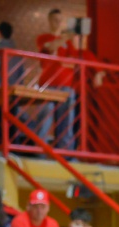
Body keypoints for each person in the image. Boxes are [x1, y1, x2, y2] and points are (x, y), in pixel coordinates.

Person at [36, 9, 77, 151]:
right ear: (49, 21)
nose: (58, 23)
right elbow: (50, 47)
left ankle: (65, 151)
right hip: (47, 85)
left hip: (66, 85)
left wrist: (60, 51)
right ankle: (39, 149)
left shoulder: (69, 44)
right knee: (44, 118)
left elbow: (72, 63)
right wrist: (65, 38)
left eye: (60, 20)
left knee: (66, 120)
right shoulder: (43, 38)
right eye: (55, 20)